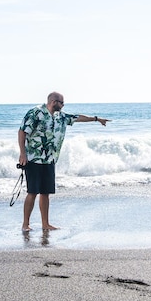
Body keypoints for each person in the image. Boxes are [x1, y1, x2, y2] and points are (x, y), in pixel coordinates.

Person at [18, 92, 110, 231]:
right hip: (34, 159)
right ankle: (26, 224)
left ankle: (45, 224)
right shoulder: (35, 113)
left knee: (45, 193)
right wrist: (22, 154)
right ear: (54, 101)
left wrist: (96, 119)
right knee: (32, 192)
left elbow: (78, 118)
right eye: (61, 102)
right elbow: (22, 131)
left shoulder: (61, 117)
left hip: (50, 160)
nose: (63, 105)